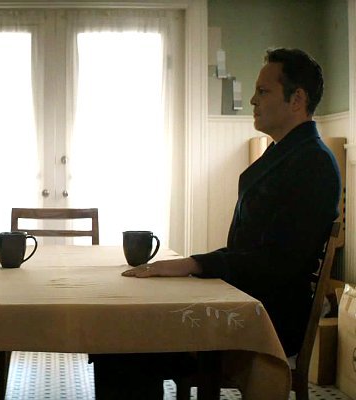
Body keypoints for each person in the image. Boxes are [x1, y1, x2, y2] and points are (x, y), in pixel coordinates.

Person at [93, 48, 341, 398]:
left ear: (297, 99)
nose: (253, 100)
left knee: (120, 342)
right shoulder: (288, 153)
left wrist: (194, 264)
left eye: (263, 91)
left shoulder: (313, 163)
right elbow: (253, 251)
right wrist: (191, 266)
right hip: (244, 301)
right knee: (120, 330)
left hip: (263, 320)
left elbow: (277, 263)